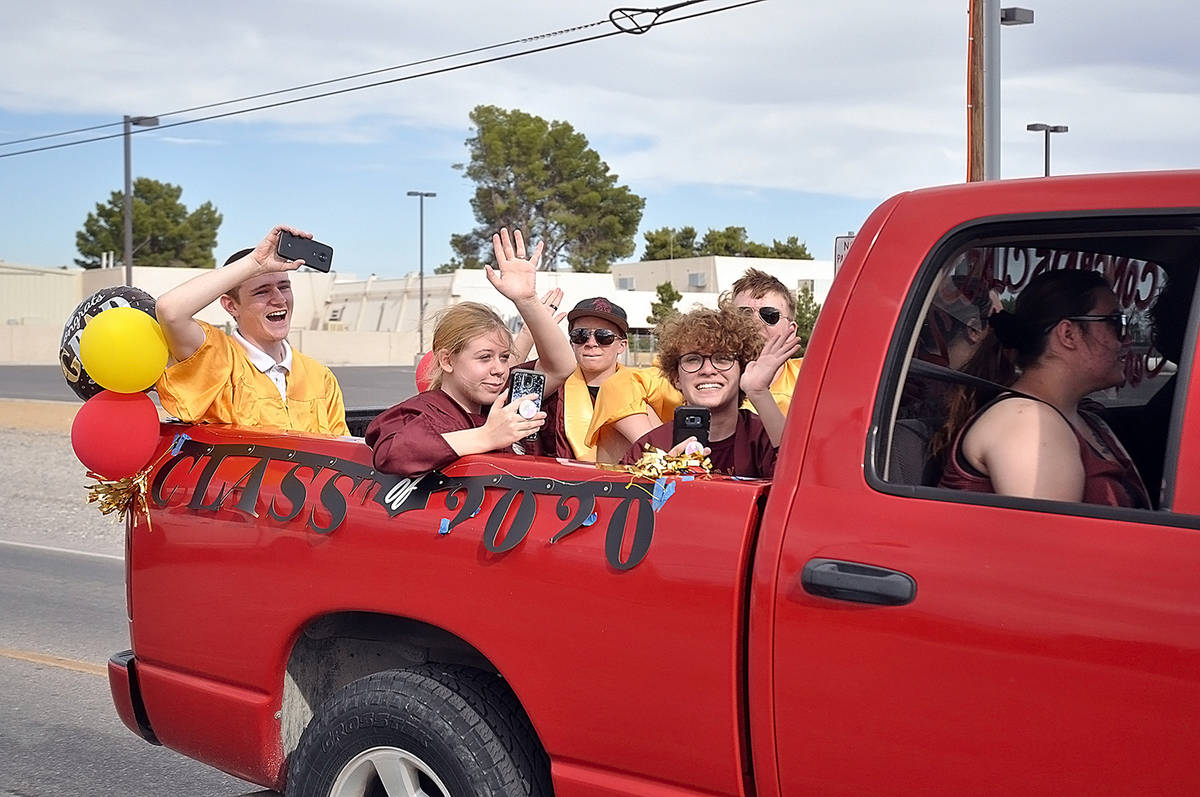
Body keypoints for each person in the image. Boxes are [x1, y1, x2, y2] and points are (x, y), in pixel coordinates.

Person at [366, 229, 576, 476]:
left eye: (504, 357)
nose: (498, 369)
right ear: (447, 360)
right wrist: (486, 436)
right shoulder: (424, 411)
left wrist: (527, 300)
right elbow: (393, 454)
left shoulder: (504, 399)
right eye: (484, 357)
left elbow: (560, 367)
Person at [936, 269, 1150, 507]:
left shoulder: (1085, 419)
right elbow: (1052, 541)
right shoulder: (1027, 423)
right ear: (1068, 334)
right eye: (1116, 323)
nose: (1128, 338)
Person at [588, 268, 804, 461]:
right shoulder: (684, 374)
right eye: (743, 314)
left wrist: (759, 393)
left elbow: (799, 472)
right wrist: (657, 455)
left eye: (769, 315)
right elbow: (617, 385)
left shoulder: (815, 380)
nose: (708, 370)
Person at [154, 225, 349, 436]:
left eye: (284, 287)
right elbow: (170, 310)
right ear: (231, 305)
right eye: (261, 292)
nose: (279, 299)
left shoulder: (320, 378)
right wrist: (255, 263)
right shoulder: (217, 361)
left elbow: (343, 449)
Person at [620, 306, 800, 478]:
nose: (707, 370)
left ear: (742, 370)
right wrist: (658, 480)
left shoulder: (764, 437)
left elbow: (801, 479)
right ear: (676, 377)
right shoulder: (650, 447)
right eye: (693, 359)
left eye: (722, 358)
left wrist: (759, 392)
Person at [510, 294, 630, 462]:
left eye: (604, 336)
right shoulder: (550, 388)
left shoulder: (642, 391)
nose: (591, 343)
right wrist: (528, 332)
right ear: (571, 342)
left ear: (622, 345)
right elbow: (501, 388)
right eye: (580, 335)